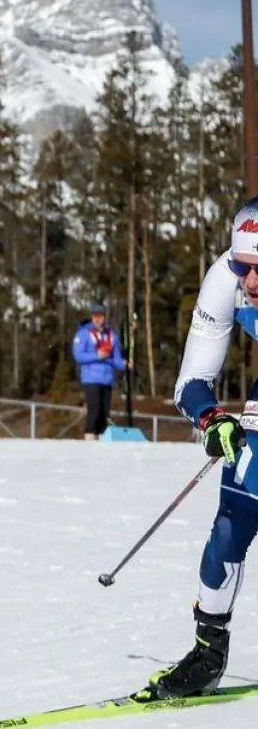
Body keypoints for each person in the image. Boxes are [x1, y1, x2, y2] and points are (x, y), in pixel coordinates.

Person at [144, 197, 258, 701]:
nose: (249, 282)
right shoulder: (225, 279)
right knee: (236, 507)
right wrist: (211, 417)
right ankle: (208, 651)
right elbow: (192, 378)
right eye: (243, 266)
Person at [72, 304, 128, 441]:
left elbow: (115, 358)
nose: (97, 319)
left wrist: (124, 364)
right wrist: (97, 356)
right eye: (95, 316)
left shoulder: (111, 335)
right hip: (91, 378)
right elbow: (78, 355)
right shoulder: (83, 334)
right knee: (94, 410)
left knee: (104, 413)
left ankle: (102, 439)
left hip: (107, 378)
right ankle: (90, 437)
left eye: (100, 316)